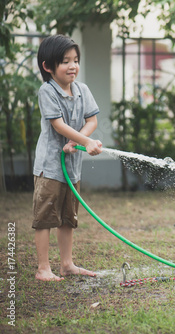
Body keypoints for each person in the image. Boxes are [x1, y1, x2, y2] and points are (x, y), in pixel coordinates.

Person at [33, 34, 103, 281]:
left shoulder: (82, 90)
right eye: (65, 61)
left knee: (67, 218)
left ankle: (67, 264)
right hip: (50, 167)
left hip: (72, 168)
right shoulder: (47, 90)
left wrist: (79, 140)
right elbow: (58, 125)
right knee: (45, 217)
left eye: (75, 60)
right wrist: (85, 142)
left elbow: (92, 120)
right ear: (48, 66)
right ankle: (43, 268)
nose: (73, 66)